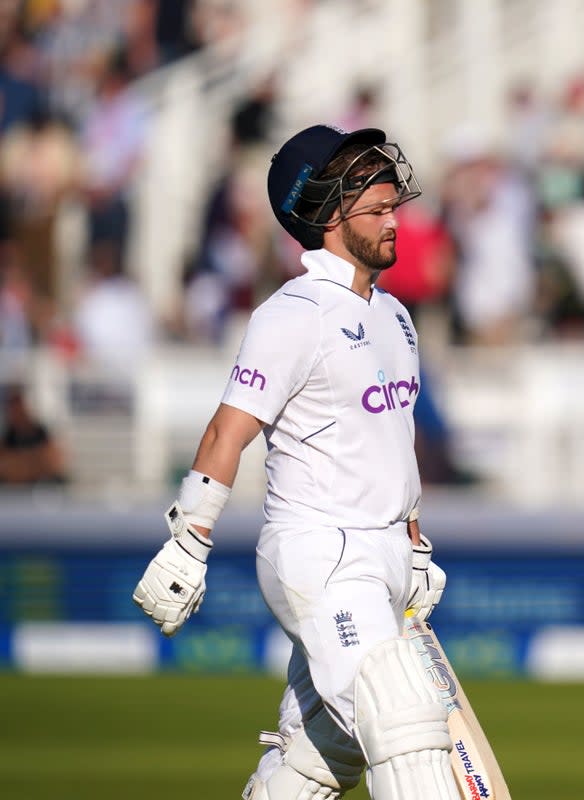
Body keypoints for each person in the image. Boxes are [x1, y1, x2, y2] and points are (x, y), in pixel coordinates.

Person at [131, 124, 456, 800]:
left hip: (383, 555)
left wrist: (415, 547)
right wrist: (189, 540)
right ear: (329, 216)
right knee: (406, 728)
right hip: (321, 554)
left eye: (396, 206)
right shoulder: (294, 314)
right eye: (378, 209)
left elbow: (390, 446)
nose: (396, 223)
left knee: (319, 762)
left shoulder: (395, 317)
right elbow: (229, 428)